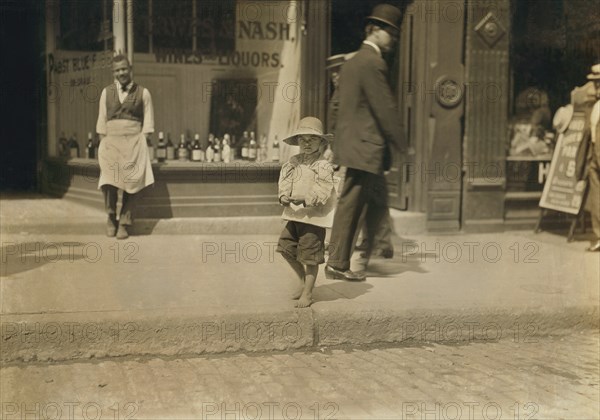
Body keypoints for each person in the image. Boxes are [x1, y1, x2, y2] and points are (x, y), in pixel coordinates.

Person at [325, 4, 407, 281]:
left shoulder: (351, 63)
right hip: (365, 148)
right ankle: (337, 263)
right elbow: (384, 107)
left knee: (374, 202)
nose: (393, 39)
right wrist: (402, 144)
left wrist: (336, 145)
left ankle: (369, 250)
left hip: (357, 146)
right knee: (351, 205)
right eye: (391, 34)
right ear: (375, 30)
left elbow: (339, 106)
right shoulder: (372, 62)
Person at [326, 51, 395, 259]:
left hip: (359, 152)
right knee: (371, 197)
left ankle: (376, 244)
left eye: (339, 71)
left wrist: (334, 150)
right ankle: (378, 242)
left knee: (362, 198)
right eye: (333, 73)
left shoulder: (350, 91)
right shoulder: (342, 91)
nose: (336, 76)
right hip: (356, 151)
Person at [276, 117, 336, 307]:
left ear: (321, 142)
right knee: (286, 247)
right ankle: (302, 281)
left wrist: (306, 199)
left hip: (314, 218)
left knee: (310, 256)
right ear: (298, 142)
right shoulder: (293, 161)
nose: (307, 143)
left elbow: (324, 188)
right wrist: (284, 195)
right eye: (303, 139)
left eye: (313, 139)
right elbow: (284, 181)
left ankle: (308, 294)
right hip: (295, 215)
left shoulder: (323, 165)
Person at [96, 54, 155, 239]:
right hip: (111, 142)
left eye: (124, 68)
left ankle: (124, 222)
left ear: (130, 69)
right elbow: (101, 122)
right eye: (117, 70)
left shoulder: (143, 93)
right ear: (113, 73)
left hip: (134, 142)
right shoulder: (107, 92)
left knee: (133, 182)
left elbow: (148, 124)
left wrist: (141, 144)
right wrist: (104, 144)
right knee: (108, 181)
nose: (121, 72)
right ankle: (111, 217)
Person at [575, 63, 600, 252]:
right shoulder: (594, 107)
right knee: (596, 197)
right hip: (595, 158)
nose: (596, 88)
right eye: (596, 84)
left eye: (599, 84)